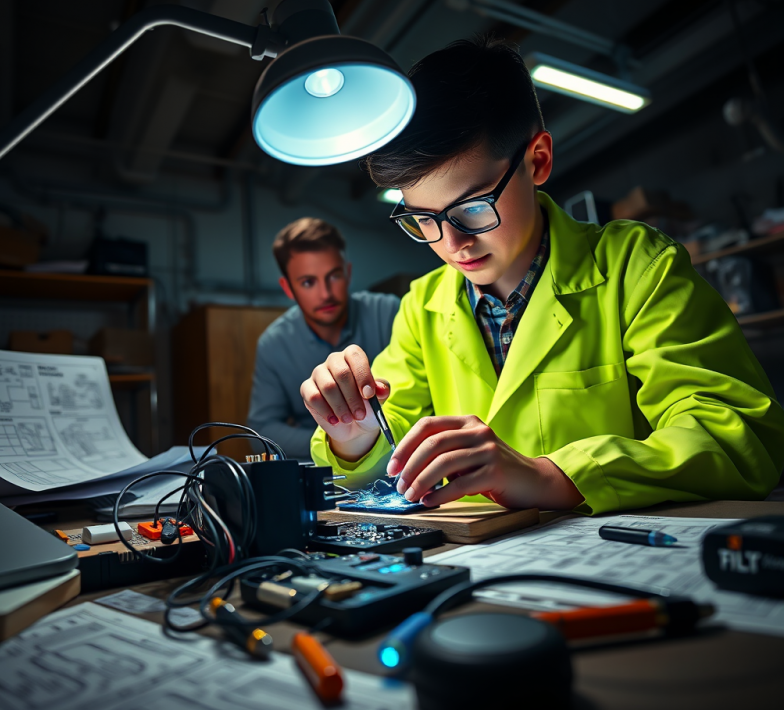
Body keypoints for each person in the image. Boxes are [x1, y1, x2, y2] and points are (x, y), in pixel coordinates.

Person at [301, 36, 784, 514]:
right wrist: (355, 434)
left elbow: (736, 434)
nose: (451, 244)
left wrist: (553, 476)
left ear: (538, 160)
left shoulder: (637, 267)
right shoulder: (422, 307)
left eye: (472, 208)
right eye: (421, 217)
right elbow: (386, 464)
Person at [248, 217, 400, 459]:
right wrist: (338, 439)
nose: (326, 294)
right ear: (288, 288)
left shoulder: (391, 313)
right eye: (308, 282)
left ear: (348, 273)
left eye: (334, 276)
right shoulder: (273, 344)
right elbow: (262, 431)